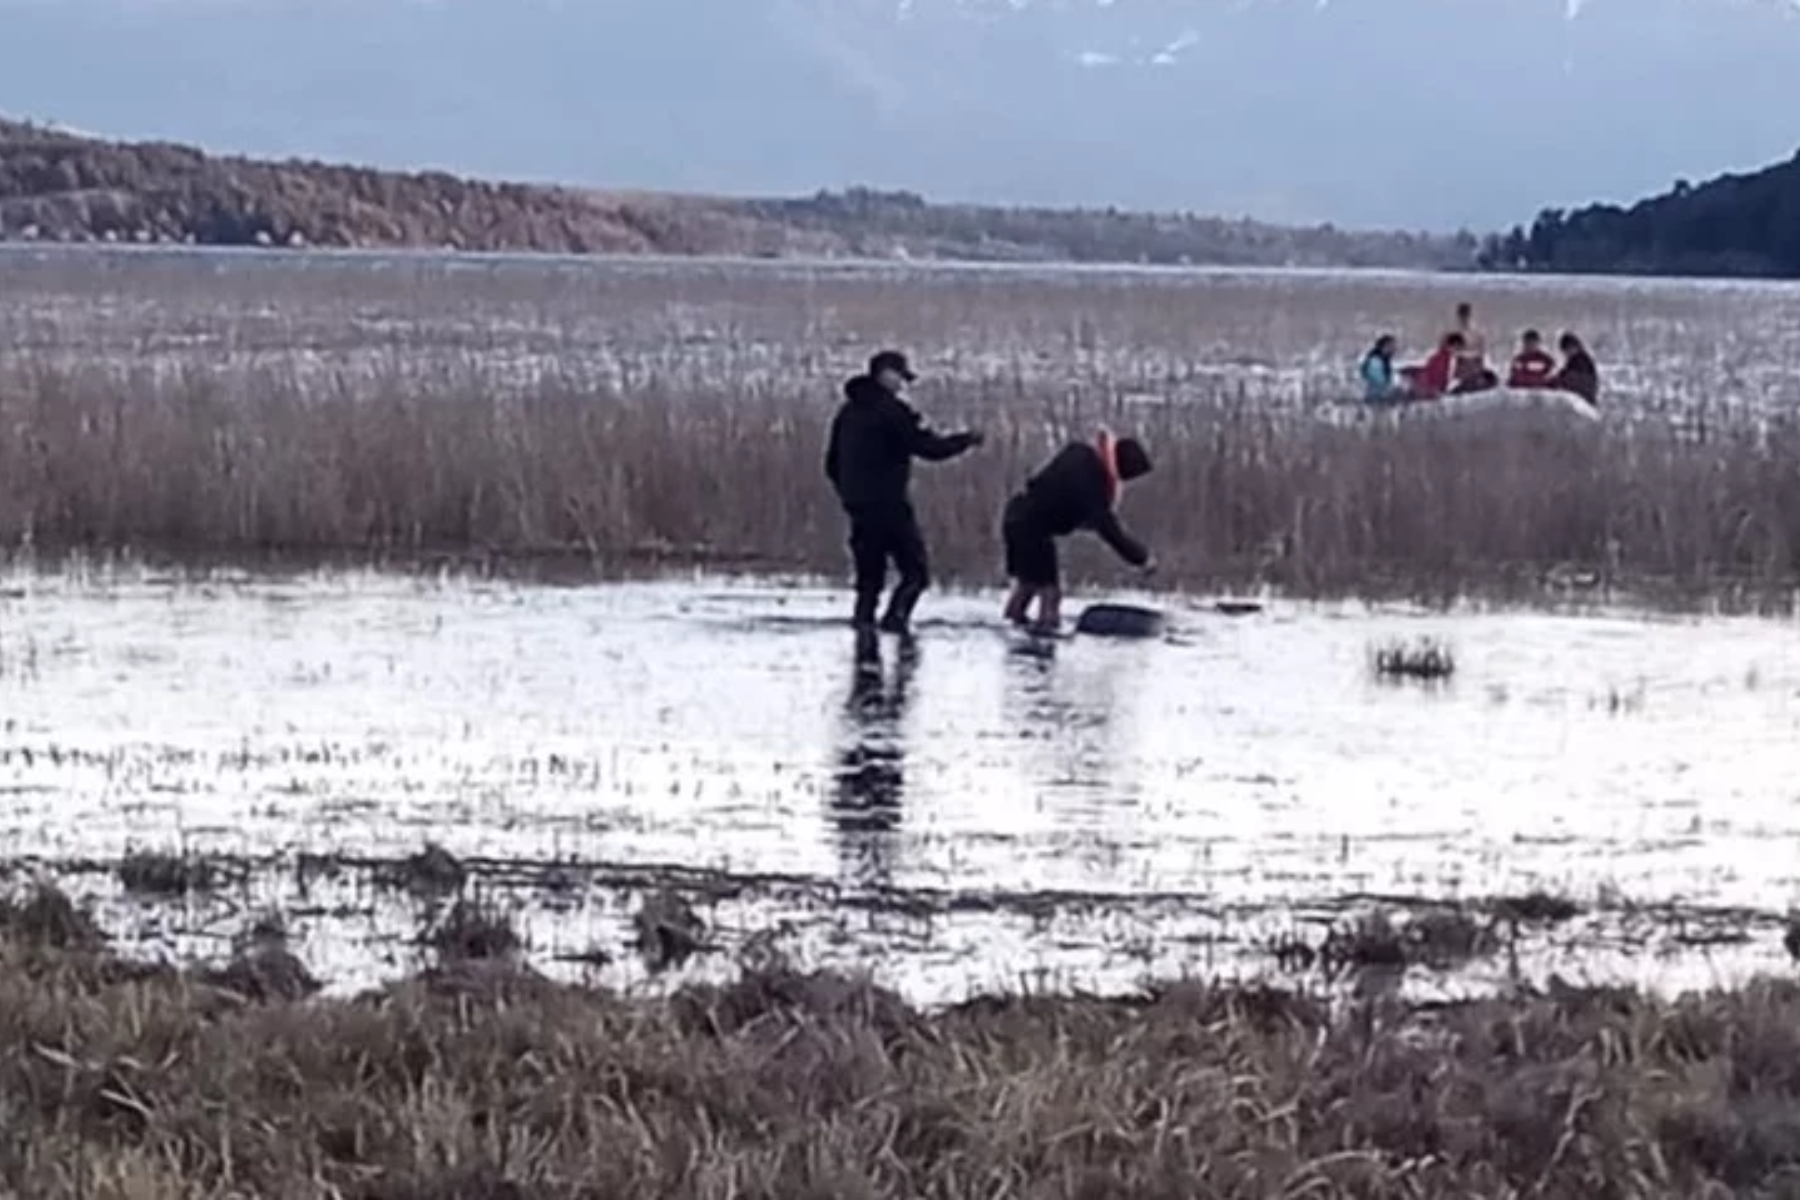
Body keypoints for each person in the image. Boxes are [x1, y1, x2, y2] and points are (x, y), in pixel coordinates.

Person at [824, 350, 983, 635]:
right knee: (916, 573)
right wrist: (965, 440)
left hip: (858, 507)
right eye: (900, 377)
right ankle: (896, 625)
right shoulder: (893, 412)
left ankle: (864, 635)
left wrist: (850, 495)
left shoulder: (847, 413)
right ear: (884, 374)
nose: (902, 385)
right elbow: (928, 448)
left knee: (869, 579)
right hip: (889, 506)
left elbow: (831, 464)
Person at [1000, 430, 1155, 633]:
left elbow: (1059, 495)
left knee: (1028, 584)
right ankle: (1045, 634)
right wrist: (1142, 558)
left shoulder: (1080, 454)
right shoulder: (1093, 483)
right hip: (1033, 528)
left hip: (1016, 517)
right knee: (1050, 592)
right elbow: (1109, 530)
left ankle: (1013, 625)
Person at [1449, 302, 1499, 392]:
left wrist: (1465, 354)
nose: (1464, 318)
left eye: (1466, 315)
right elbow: (1452, 353)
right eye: (1462, 315)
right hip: (1461, 371)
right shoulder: (1454, 332)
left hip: (1474, 369)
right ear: (1458, 316)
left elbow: (1481, 352)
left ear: (1470, 315)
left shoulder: (1478, 333)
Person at [1548, 332, 1599, 406]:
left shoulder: (1581, 361)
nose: (1566, 354)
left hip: (1583, 402)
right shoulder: (1575, 361)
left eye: (1566, 350)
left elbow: (1574, 379)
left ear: (1574, 347)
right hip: (1583, 401)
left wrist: (1558, 381)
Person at [1412, 332, 1464, 399]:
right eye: (1458, 347)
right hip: (1430, 394)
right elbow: (1435, 378)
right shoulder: (1441, 359)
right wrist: (1436, 392)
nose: (1458, 351)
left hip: (1434, 393)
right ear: (1453, 345)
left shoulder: (1446, 357)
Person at [1359, 335, 1402, 403]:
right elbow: (1379, 383)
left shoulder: (1384, 359)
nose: (1395, 349)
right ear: (1385, 346)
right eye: (1392, 346)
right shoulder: (1375, 361)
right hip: (1375, 399)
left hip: (1378, 396)